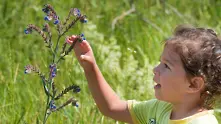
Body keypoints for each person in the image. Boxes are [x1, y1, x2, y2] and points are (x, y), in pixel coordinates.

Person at [66, 25, 220, 124]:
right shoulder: (158, 110)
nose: (155, 69)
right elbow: (111, 107)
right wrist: (90, 67)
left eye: (166, 66)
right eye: (160, 62)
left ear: (193, 84)